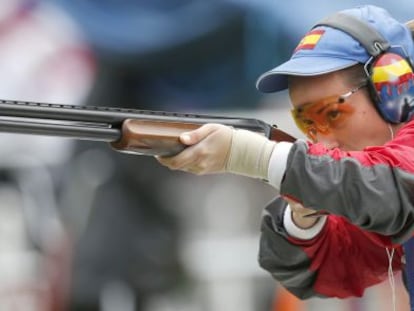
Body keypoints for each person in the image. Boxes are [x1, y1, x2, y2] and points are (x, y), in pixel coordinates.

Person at [157, 4, 414, 309]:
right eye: (308, 122)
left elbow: (395, 183)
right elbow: (323, 272)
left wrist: (255, 156)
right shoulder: (380, 195)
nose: (323, 140)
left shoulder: (390, 184)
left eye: (332, 113)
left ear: (395, 91)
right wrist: (304, 220)